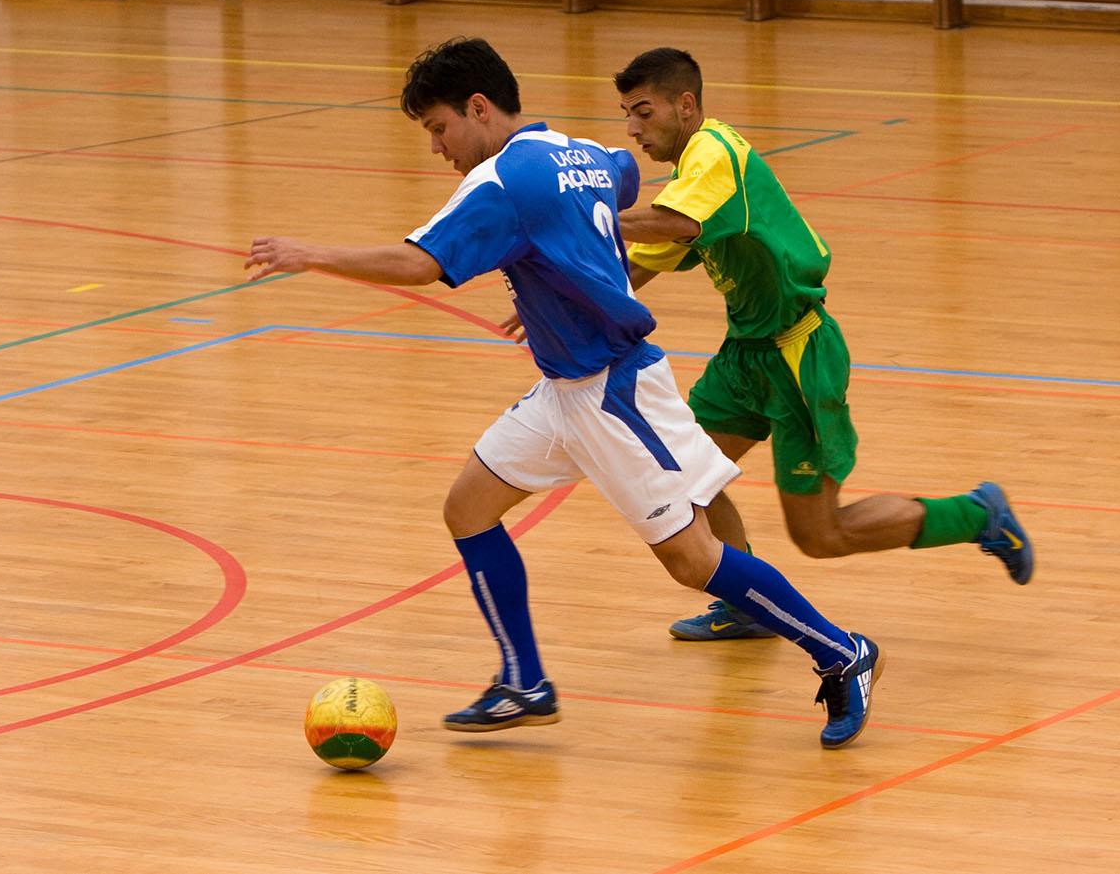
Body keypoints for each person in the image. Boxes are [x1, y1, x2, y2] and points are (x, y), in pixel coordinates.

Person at [246, 37, 882, 750]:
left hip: (613, 390)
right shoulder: (575, 149)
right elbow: (620, 182)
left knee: (692, 559)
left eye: (438, 128)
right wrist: (569, 268)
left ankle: (841, 651)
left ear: (478, 107)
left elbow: (420, 262)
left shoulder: (500, 181)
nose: (437, 148)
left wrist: (311, 255)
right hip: (562, 385)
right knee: (468, 506)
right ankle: (524, 681)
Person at [603, 46, 1034, 642]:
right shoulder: (688, 178)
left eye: (643, 112)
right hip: (745, 355)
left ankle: (978, 515)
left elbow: (673, 225)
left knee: (821, 535)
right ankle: (748, 601)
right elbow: (642, 263)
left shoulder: (715, 152)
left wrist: (582, 212)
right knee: (679, 477)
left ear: (686, 104)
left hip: (799, 354)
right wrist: (565, 298)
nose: (632, 129)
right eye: (626, 114)